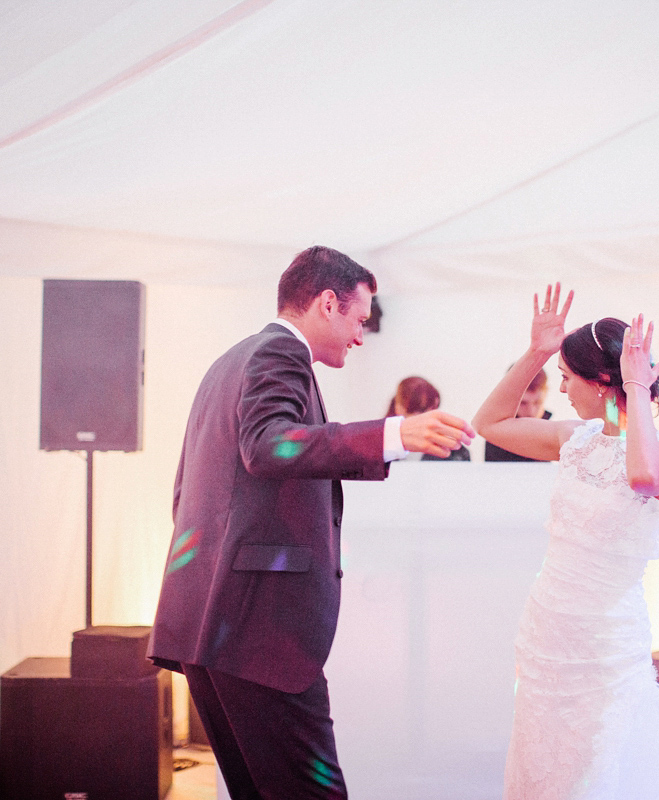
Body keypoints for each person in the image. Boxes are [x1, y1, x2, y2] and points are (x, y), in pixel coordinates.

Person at [148, 246, 474, 799]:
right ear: (328, 302)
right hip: (257, 634)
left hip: (209, 627)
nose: (359, 336)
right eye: (358, 319)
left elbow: (185, 491)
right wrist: (394, 435)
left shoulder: (231, 360)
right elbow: (267, 445)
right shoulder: (280, 355)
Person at [473, 283, 659, 800]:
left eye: (566, 378)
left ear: (602, 382)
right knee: (546, 768)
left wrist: (636, 389)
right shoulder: (574, 439)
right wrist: (537, 352)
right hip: (545, 636)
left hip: (605, 647)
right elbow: (489, 423)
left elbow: (641, 477)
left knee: (600, 772)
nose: (562, 390)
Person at [387, 376, 471, 461]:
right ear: (399, 408)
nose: (430, 418)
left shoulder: (455, 452)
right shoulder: (383, 448)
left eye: (433, 410)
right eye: (421, 411)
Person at [483, 367, 552, 462]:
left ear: (546, 394)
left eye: (537, 403)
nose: (531, 412)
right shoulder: (495, 434)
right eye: (523, 403)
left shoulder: (555, 431)